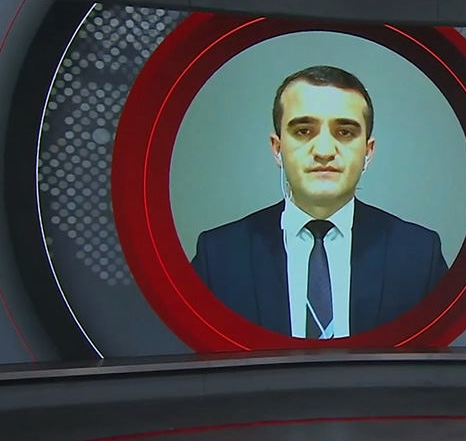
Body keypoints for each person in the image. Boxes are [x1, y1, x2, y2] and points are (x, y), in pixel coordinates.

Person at [190, 65, 448, 339]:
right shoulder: (218, 257)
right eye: (303, 131)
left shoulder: (420, 255)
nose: (324, 151)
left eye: (345, 132)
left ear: (368, 152)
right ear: (277, 149)